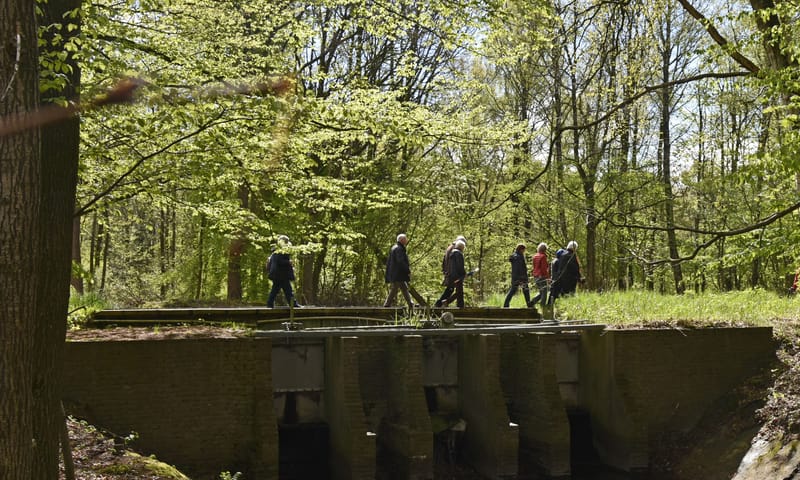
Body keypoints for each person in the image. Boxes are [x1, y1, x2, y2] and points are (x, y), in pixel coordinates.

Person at [266, 235, 301, 308]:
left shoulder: (276, 251)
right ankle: (293, 304)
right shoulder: (280, 251)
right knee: (287, 290)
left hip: (278, 274)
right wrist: (288, 262)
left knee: (276, 289)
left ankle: (270, 303)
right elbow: (279, 261)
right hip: (281, 274)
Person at [383, 233, 414, 310]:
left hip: (396, 273)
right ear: (401, 240)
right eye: (405, 239)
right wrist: (407, 270)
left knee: (402, 288)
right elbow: (400, 261)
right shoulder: (399, 249)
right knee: (397, 288)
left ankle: (410, 303)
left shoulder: (395, 248)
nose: (407, 240)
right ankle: (387, 304)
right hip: (398, 273)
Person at [435, 239, 466, 308]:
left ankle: (445, 302)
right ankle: (457, 305)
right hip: (457, 276)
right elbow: (460, 266)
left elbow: (446, 263)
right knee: (459, 291)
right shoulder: (459, 254)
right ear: (462, 247)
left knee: (454, 290)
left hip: (451, 275)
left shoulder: (451, 252)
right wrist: (463, 274)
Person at [503, 243, 531, 307]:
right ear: (521, 249)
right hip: (520, 278)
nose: (524, 251)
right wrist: (521, 278)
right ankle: (529, 305)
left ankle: (506, 305)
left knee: (514, 291)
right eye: (524, 250)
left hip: (516, 277)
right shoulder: (518, 257)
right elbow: (519, 268)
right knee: (525, 290)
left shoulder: (516, 256)